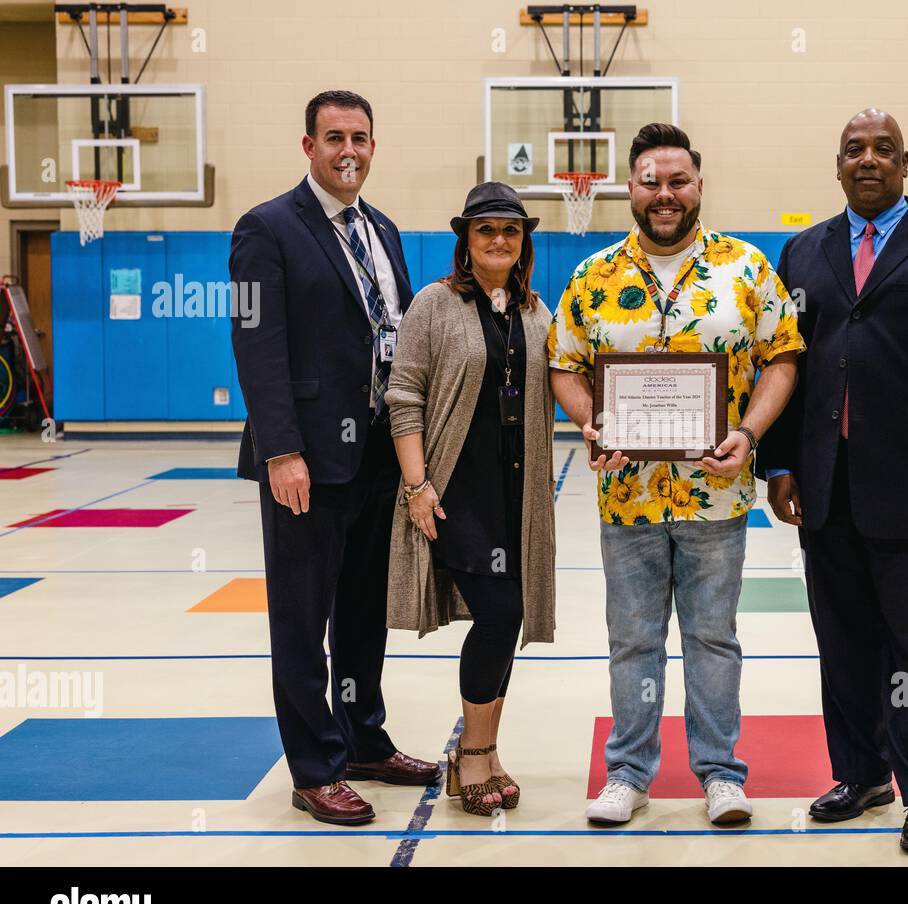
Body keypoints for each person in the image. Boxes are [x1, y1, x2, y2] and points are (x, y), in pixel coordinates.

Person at [759, 109, 908, 853]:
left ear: (905, 164)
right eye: (855, 150)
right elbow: (788, 366)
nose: (869, 160)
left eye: (883, 150)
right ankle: (860, 772)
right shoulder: (802, 252)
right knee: (843, 642)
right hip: (827, 491)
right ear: (837, 165)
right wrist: (780, 462)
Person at [549, 123, 804, 827]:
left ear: (699, 184)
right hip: (623, 494)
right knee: (632, 638)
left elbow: (782, 356)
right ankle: (628, 773)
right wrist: (591, 422)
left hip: (716, 494)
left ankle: (721, 772)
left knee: (712, 637)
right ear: (630, 188)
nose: (666, 194)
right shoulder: (592, 276)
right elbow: (564, 365)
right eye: (651, 182)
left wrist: (749, 432)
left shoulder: (746, 268)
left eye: (679, 181)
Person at [230, 90, 439, 827]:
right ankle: (315, 766)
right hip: (307, 463)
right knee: (300, 615)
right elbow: (256, 348)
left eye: (360, 137)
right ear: (308, 146)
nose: (347, 149)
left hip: (377, 457)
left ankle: (362, 738)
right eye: (333, 137)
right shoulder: (266, 228)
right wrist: (282, 448)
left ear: (373, 146)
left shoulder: (380, 227)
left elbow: (399, 334)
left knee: (361, 613)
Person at [385, 182, 556, 816]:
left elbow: (565, 384)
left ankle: (483, 752)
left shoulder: (535, 313)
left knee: (505, 619)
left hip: (516, 492)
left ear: (523, 242)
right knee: (499, 614)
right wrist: (417, 485)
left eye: (510, 231)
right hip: (457, 491)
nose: (499, 240)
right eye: (486, 230)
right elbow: (404, 396)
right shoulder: (434, 304)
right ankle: (474, 756)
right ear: (466, 240)